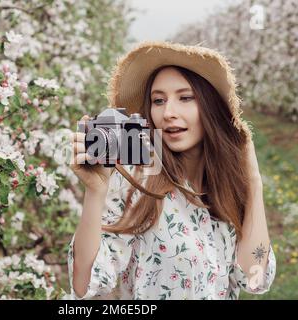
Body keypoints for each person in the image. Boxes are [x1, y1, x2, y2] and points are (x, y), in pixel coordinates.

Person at [68, 41, 276, 300]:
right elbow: (84, 285)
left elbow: (254, 278)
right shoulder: (136, 183)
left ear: (210, 107)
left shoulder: (225, 189)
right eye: (158, 100)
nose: (168, 112)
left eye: (185, 97)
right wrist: (95, 193)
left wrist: (254, 184)